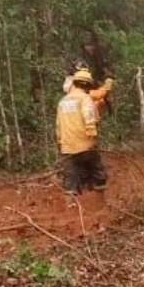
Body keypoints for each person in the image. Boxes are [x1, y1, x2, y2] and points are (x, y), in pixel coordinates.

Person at [55, 68, 114, 207]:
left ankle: (71, 209)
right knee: (97, 172)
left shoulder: (62, 102)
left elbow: (58, 125)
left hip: (67, 147)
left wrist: (60, 141)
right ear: (87, 85)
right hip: (85, 145)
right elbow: (89, 115)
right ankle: (100, 204)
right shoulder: (84, 98)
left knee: (70, 178)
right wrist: (92, 133)